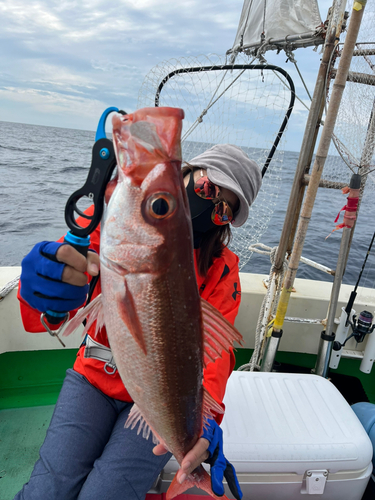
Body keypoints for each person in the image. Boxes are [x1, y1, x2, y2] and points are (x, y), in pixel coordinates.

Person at [15, 143, 262, 500]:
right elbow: (69, 287)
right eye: (207, 188)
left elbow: (215, 356)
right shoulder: (121, 219)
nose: (209, 206)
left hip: (158, 401)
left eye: (224, 210)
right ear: (185, 174)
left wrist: (207, 416)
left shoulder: (222, 269)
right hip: (94, 377)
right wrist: (46, 288)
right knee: (47, 489)